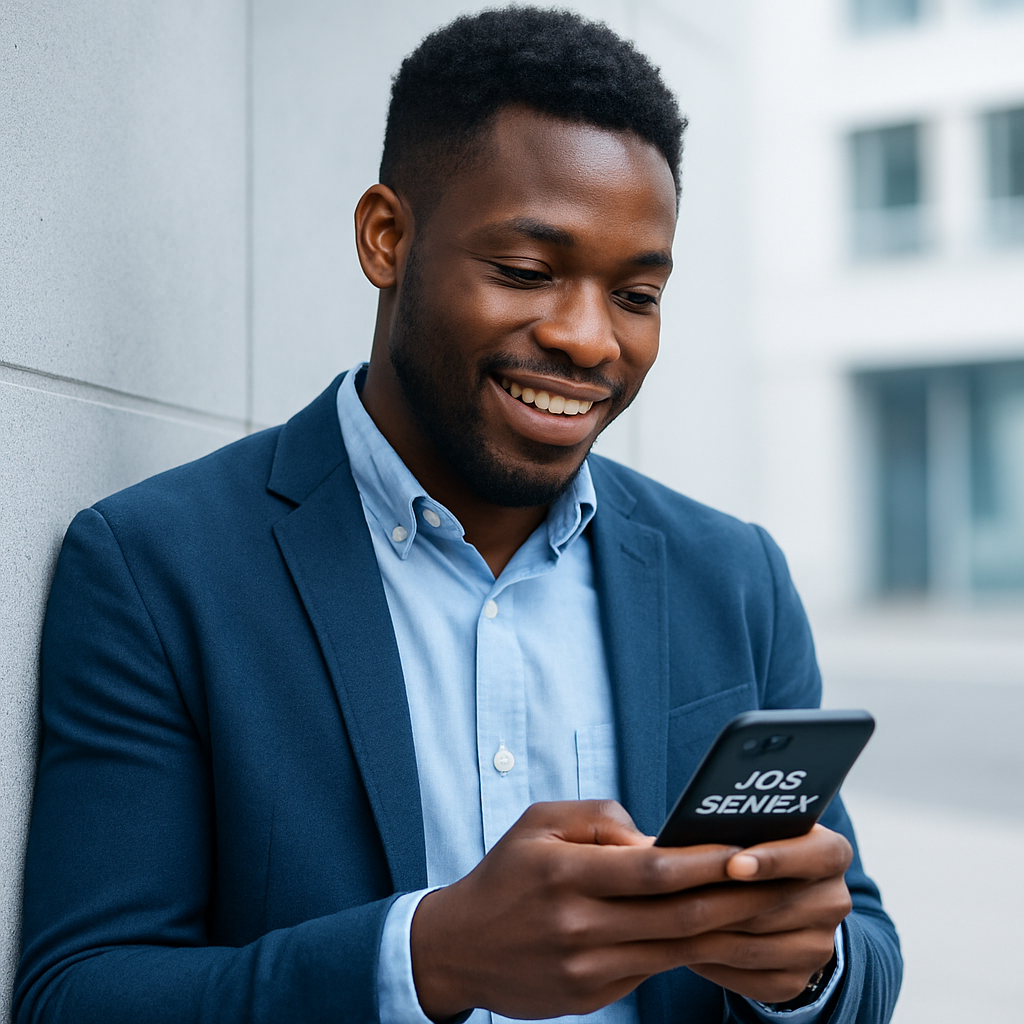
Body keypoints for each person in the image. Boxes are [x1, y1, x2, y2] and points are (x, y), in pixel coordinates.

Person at [13, 8, 901, 1024]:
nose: (586, 339)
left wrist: (805, 972)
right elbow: (76, 995)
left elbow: (860, 946)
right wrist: (426, 958)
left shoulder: (732, 574)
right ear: (386, 238)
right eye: (526, 272)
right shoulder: (157, 566)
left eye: (636, 293)